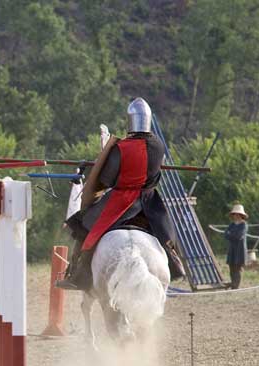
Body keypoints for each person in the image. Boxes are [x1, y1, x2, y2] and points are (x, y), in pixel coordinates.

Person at [56, 97, 185, 291]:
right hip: (150, 202)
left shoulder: (121, 148)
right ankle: (175, 265)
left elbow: (107, 180)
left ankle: (76, 273)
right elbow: (155, 174)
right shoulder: (159, 146)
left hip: (120, 200)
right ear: (147, 120)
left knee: (83, 226)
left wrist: (103, 159)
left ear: (130, 120)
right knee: (166, 233)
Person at [225, 204, 248, 289]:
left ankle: (235, 286)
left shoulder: (244, 225)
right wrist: (232, 235)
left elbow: (239, 236)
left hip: (240, 249)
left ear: (241, 215)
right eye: (235, 214)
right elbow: (226, 234)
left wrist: (231, 235)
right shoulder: (231, 224)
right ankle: (232, 283)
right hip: (232, 249)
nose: (236, 215)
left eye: (238, 214)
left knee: (237, 268)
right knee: (231, 267)